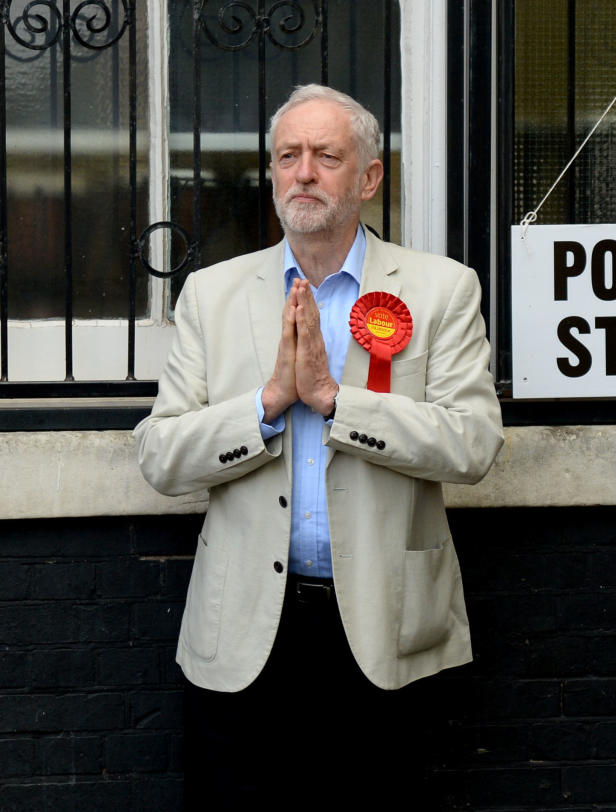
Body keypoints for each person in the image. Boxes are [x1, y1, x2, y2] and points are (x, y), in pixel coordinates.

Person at [134, 84, 503, 807]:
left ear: (368, 177)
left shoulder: (440, 291)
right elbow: (159, 455)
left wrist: (338, 402)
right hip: (243, 631)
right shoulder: (212, 295)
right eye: (288, 156)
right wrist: (268, 404)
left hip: (380, 623)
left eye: (326, 156)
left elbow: (473, 444)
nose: (303, 172)